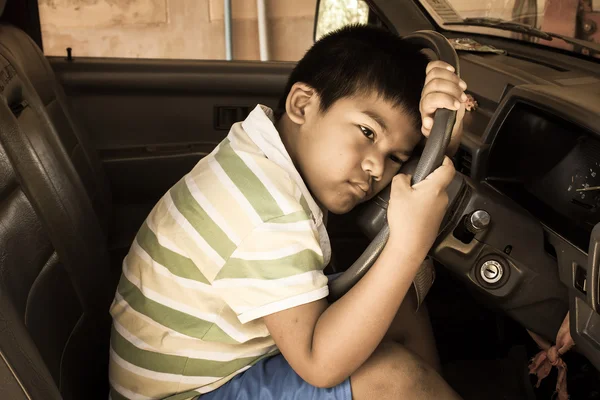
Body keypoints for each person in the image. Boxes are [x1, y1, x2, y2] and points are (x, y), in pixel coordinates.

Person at [108, 24, 468, 400]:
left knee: (400, 302)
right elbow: (319, 363)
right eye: (367, 132)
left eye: (395, 157)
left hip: (220, 363)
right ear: (302, 105)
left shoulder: (258, 158)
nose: (378, 168)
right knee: (394, 380)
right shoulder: (268, 212)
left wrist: (444, 138)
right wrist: (408, 247)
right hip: (192, 393)